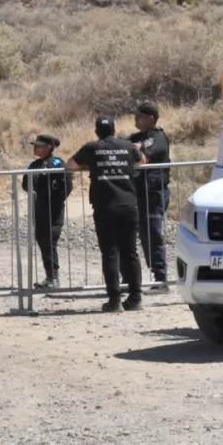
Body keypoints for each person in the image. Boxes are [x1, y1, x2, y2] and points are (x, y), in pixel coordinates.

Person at [66, 115, 145, 312]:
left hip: (105, 206)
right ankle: (135, 298)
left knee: (110, 253)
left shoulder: (92, 148)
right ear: (114, 130)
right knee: (131, 252)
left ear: (96, 132)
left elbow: (70, 165)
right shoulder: (127, 146)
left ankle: (114, 301)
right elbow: (141, 160)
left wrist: (91, 165)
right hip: (128, 204)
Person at [128, 102, 171, 293]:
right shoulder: (136, 137)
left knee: (153, 235)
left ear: (152, 118)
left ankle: (161, 279)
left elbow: (141, 159)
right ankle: (151, 275)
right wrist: (134, 147)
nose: (136, 119)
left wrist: (136, 149)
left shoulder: (157, 136)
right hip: (139, 192)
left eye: (140, 116)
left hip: (154, 191)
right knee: (144, 236)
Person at [25, 134, 73, 289]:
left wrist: (56, 200)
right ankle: (49, 276)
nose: (35, 148)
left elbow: (66, 185)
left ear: (49, 147)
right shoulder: (34, 165)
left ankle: (54, 277)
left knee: (50, 240)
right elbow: (26, 184)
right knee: (42, 240)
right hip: (39, 208)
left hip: (54, 208)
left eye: (39, 145)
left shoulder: (57, 163)